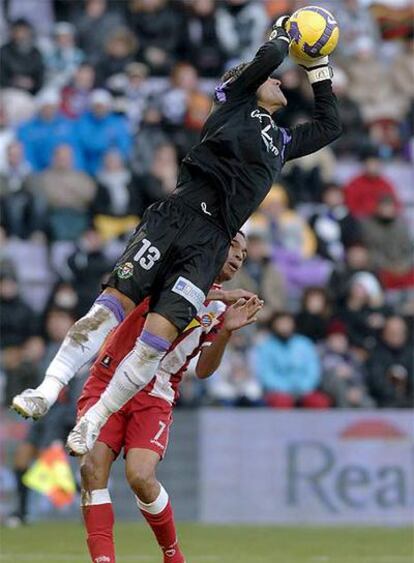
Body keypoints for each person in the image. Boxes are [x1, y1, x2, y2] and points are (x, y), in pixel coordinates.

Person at [13, 18, 341, 455]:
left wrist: (318, 66)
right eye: (273, 78)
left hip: (212, 243)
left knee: (154, 344)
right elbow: (267, 59)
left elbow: (329, 124)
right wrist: (286, 32)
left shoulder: (281, 141)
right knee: (108, 310)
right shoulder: (232, 100)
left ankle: (93, 421)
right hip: (175, 217)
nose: (281, 80)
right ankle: (47, 389)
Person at [77, 232, 261, 563]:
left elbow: (204, 370)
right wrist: (224, 294)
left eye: (245, 255)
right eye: (233, 245)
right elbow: (169, 291)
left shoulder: (222, 309)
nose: (239, 256)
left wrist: (226, 332)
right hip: (110, 376)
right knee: (92, 470)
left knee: (141, 477)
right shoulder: (175, 268)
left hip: (156, 391)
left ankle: (172, 554)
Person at [252, 312, 330, 409]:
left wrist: (303, 387)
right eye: (281, 324)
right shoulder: (266, 346)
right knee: (282, 402)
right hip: (278, 392)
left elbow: (313, 370)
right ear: (274, 326)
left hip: (304, 390)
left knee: (319, 402)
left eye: (288, 323)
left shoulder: (304, 343)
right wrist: (286, 389)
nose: (285, 327)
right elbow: (265, 374)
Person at [366, 315, 413, 408]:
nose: (397, 335)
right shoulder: (376, 355)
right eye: (393, 332)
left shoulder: (411, 354)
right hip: (384, 403)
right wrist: (395, 394)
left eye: (400, 332)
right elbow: (376, 382)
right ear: (385, 333)